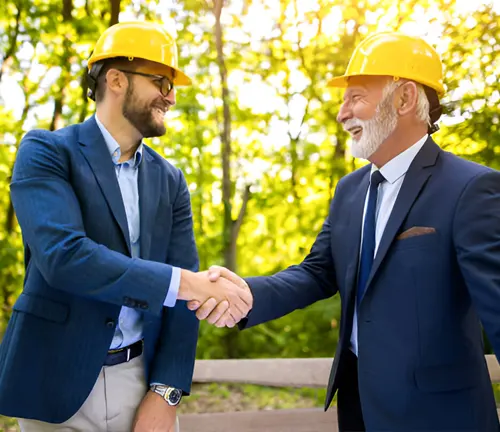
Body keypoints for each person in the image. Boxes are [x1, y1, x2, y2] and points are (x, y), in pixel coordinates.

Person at [190, 32, 500, 431]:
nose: (342, 113)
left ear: (404, 98)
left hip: (440, 416)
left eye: (355, 97)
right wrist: (247, 294)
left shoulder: (470, 188)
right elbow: (318, 273)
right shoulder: (349, 190)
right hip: (358, 409)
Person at [0, 21, 251, 432]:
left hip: (139, 381)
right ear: (116, 79)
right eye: (161, 82)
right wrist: (188, 283)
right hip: (53, 381)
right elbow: (63, 257)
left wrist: (167, 393)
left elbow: (185, 304)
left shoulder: (170, 180)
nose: (170, 97)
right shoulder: (46, 151)